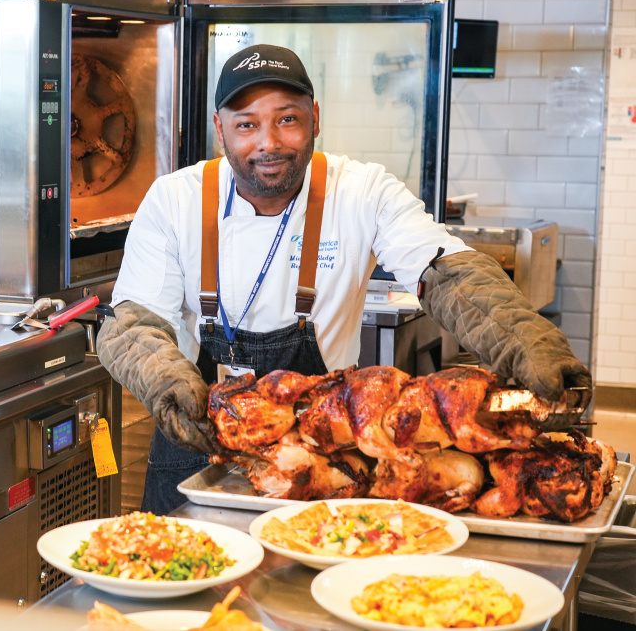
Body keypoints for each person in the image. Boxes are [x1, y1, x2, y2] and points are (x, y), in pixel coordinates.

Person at [96, 44, 592, 515]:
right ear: (220, 131)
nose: (268, 142)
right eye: (247, 125)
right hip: (200, 436)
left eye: (287, 119)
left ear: (315, 118)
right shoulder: (174, 201)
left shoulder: (362, 191)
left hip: (327, 447)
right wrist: (170, 384)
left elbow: (449, 274)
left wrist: (524, 341)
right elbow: (135, 324)